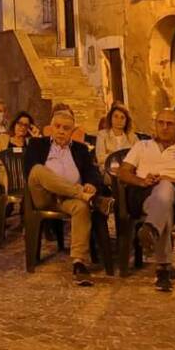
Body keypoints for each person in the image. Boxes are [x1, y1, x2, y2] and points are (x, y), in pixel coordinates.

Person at [118, 108, 175, 292]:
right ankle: (161, 264)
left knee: (166, 190)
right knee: (163, 203)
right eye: (160, 123)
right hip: (143, 194)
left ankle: (154, 238)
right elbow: (123, 172)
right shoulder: (142, 146)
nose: (164, 127)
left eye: (170, 124)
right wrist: (141, 180)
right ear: (155, 125)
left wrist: (174, 180)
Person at [24, 109, 112, 286]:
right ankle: (88, 197)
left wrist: (92, 185)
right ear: (51, 127)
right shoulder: (36, 144)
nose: (61, 131)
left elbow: (92, 172)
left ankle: (79, 262)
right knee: (38, 170)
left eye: (66, 128)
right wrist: (82, 192)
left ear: (73, 131)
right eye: (57, 126)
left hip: (68, 200)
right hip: (45, 196)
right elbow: (29, 172)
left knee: (81, 207)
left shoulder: (80, 149)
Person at [0, 111, 35, 193]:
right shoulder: (2, 138)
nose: (22, 127)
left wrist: (36, 137)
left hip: (25, 173)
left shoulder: (30, 142)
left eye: (26, 125)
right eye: (20, 124)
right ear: (14, 124)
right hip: (6, 172)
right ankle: (10, 201)